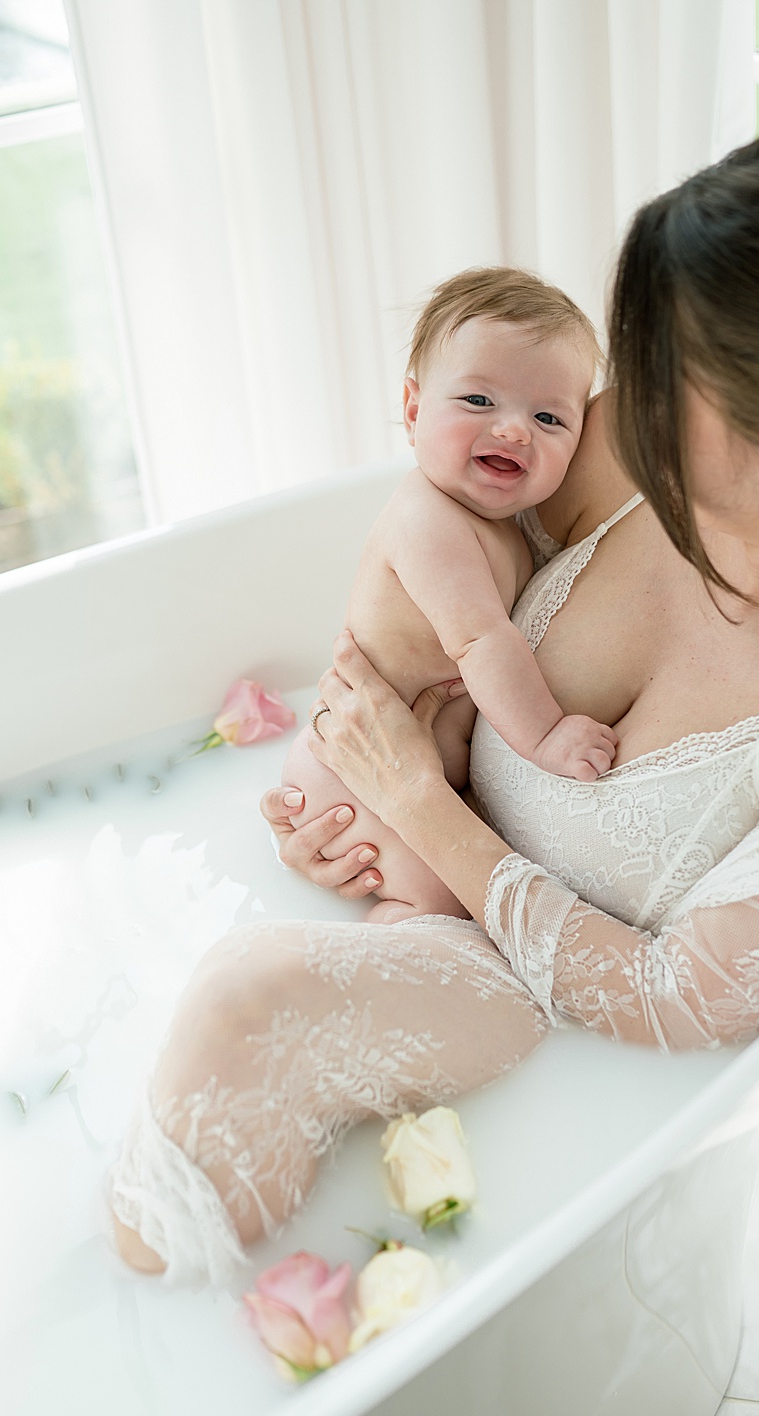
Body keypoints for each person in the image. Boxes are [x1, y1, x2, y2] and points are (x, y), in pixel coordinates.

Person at [109, 109, 759, 1286]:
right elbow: (429, 520)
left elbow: (682, 999)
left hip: (538, 1008)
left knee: (244, 997)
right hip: (393, 870)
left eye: (659, 368)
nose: (608, 398)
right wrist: (360, 770)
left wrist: (420, 803)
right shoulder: (629, 457)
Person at [275, 267, 612, 925]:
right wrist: (545, 737)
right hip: (350, 776)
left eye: (548, 417)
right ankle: (384, 944)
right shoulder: (428, 521)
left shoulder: (499, 523)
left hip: (399, 766)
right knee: (440, 902)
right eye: (479, 402)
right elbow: (480, 640)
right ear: (412, 409)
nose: (515, 430)